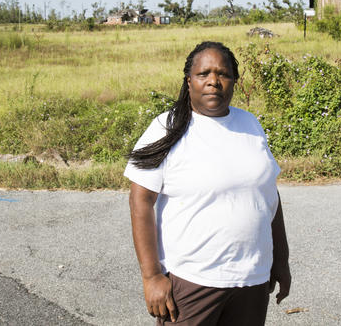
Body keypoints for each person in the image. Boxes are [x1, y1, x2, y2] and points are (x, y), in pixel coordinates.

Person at [125, 41, 291, 325]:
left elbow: (268, 198)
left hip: (252, 281)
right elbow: (140, 201)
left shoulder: (250, 125)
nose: (213, 81)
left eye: (223, 74)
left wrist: (280, 260)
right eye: (204, 74)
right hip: (192, 283)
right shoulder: (167, 128)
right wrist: (152, 276)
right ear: (189, 81)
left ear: (234, 81)